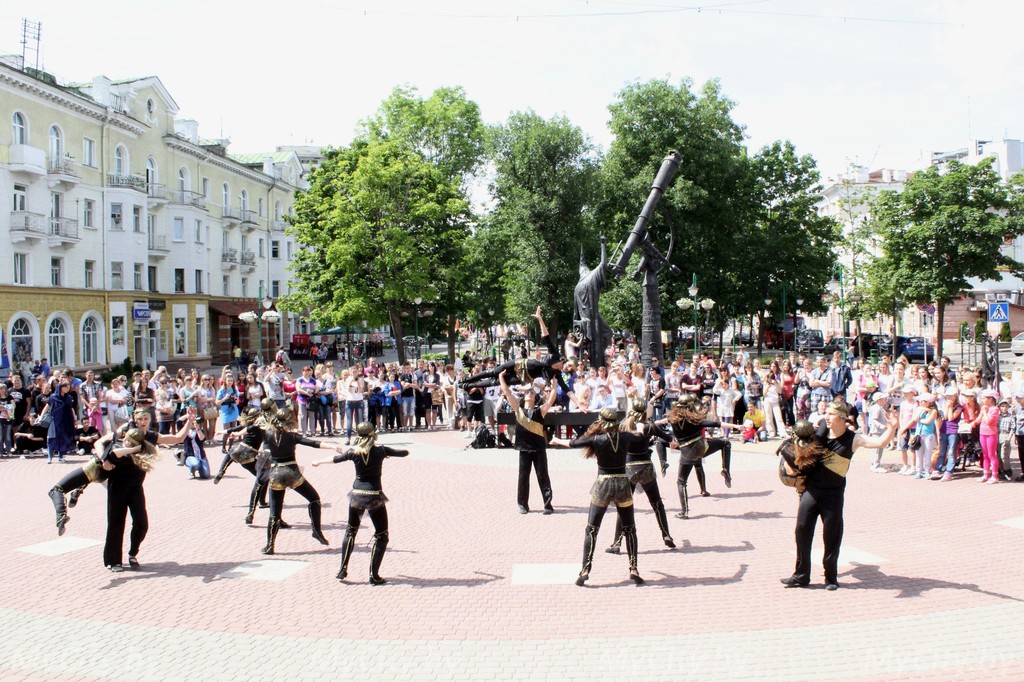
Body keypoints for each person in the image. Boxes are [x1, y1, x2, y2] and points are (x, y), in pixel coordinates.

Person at [780, 400, 897, 590]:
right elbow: (795, 458)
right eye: (826, 413)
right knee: (802, 531)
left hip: (833, 494)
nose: (826, 417)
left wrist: (893, 427)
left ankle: (831, 577)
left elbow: (881, 442)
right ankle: (801, 575)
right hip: (811, 491)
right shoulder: (818, 434)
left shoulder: (853, 439)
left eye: (831, 414)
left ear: (842, 418)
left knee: (832, 535)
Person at [553, 407, 646, 586]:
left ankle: (585, 569)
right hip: (622, 483)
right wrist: (639, 424)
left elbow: (573, 443)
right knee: (630, 528)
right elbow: (640, 436)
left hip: (603, 483)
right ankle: (633, 568)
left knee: (592, 529)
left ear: (601, 421)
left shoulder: (597, 439)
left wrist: (556, 439)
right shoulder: (626, 437)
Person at [312, 422, 409, 584]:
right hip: (374, 495)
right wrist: (391, 453)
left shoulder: (353, 452)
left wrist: (319, 462)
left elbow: (335, 459)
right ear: (373, 434)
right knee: (382, 535)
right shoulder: (381, 450)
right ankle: (373, 574)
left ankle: (342, 569)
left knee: (350, 531)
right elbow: (404, 453)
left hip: (356, 495)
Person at [101, 407, 194, 571]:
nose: (143, 422)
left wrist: (190, 421)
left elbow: (177, 438)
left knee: (141, 523)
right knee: (116, 523)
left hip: (136, 486)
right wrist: (104, 460)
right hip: (117, 484)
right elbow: (100, 442)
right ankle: (113, 561)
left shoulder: (150, 436)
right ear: (135, 420)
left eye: (146, 419)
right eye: (140, 419)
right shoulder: (125, 431)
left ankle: (132, 553)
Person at [258, 403, 341, 555]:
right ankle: (316, 530)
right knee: (314, 498)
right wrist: (332, 446)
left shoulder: (268, 435)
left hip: (275, 473)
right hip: (291, 472)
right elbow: (312, 443)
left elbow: (265, 452)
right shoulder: (291, 436)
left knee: (274, 512)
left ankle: (270, 545)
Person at [606, 399, 675, 553]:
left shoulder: (623, 426)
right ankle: (666, 535)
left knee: (623, 506)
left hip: (629, 467)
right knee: (657, 503)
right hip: (646, 467)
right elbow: (670, 439)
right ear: (645, 411)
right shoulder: (650, 426)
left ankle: (617, 543)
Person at [664, 394, 739, 519]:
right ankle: (725, 470)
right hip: (701, 449)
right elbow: (716, 424)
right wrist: (736, 426)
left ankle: (684, 511)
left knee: (681, 482)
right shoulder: (695, 420)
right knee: (725, 443)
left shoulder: (672, 420)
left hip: (686, 452)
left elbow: (659, 424)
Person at [499, 370, 558, 515]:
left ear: (535, 397)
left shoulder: (539, 412)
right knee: (523, 477)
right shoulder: (518, 411)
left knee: (543, 476)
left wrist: (554, 385)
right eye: (527, 393)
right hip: (524, 448)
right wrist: (501, 377)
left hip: (538, 449)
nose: (530, 394)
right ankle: (522, 504)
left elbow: (550, 401)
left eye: (532, 393)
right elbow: (507, 392)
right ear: (524, 397)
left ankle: (548, 505)